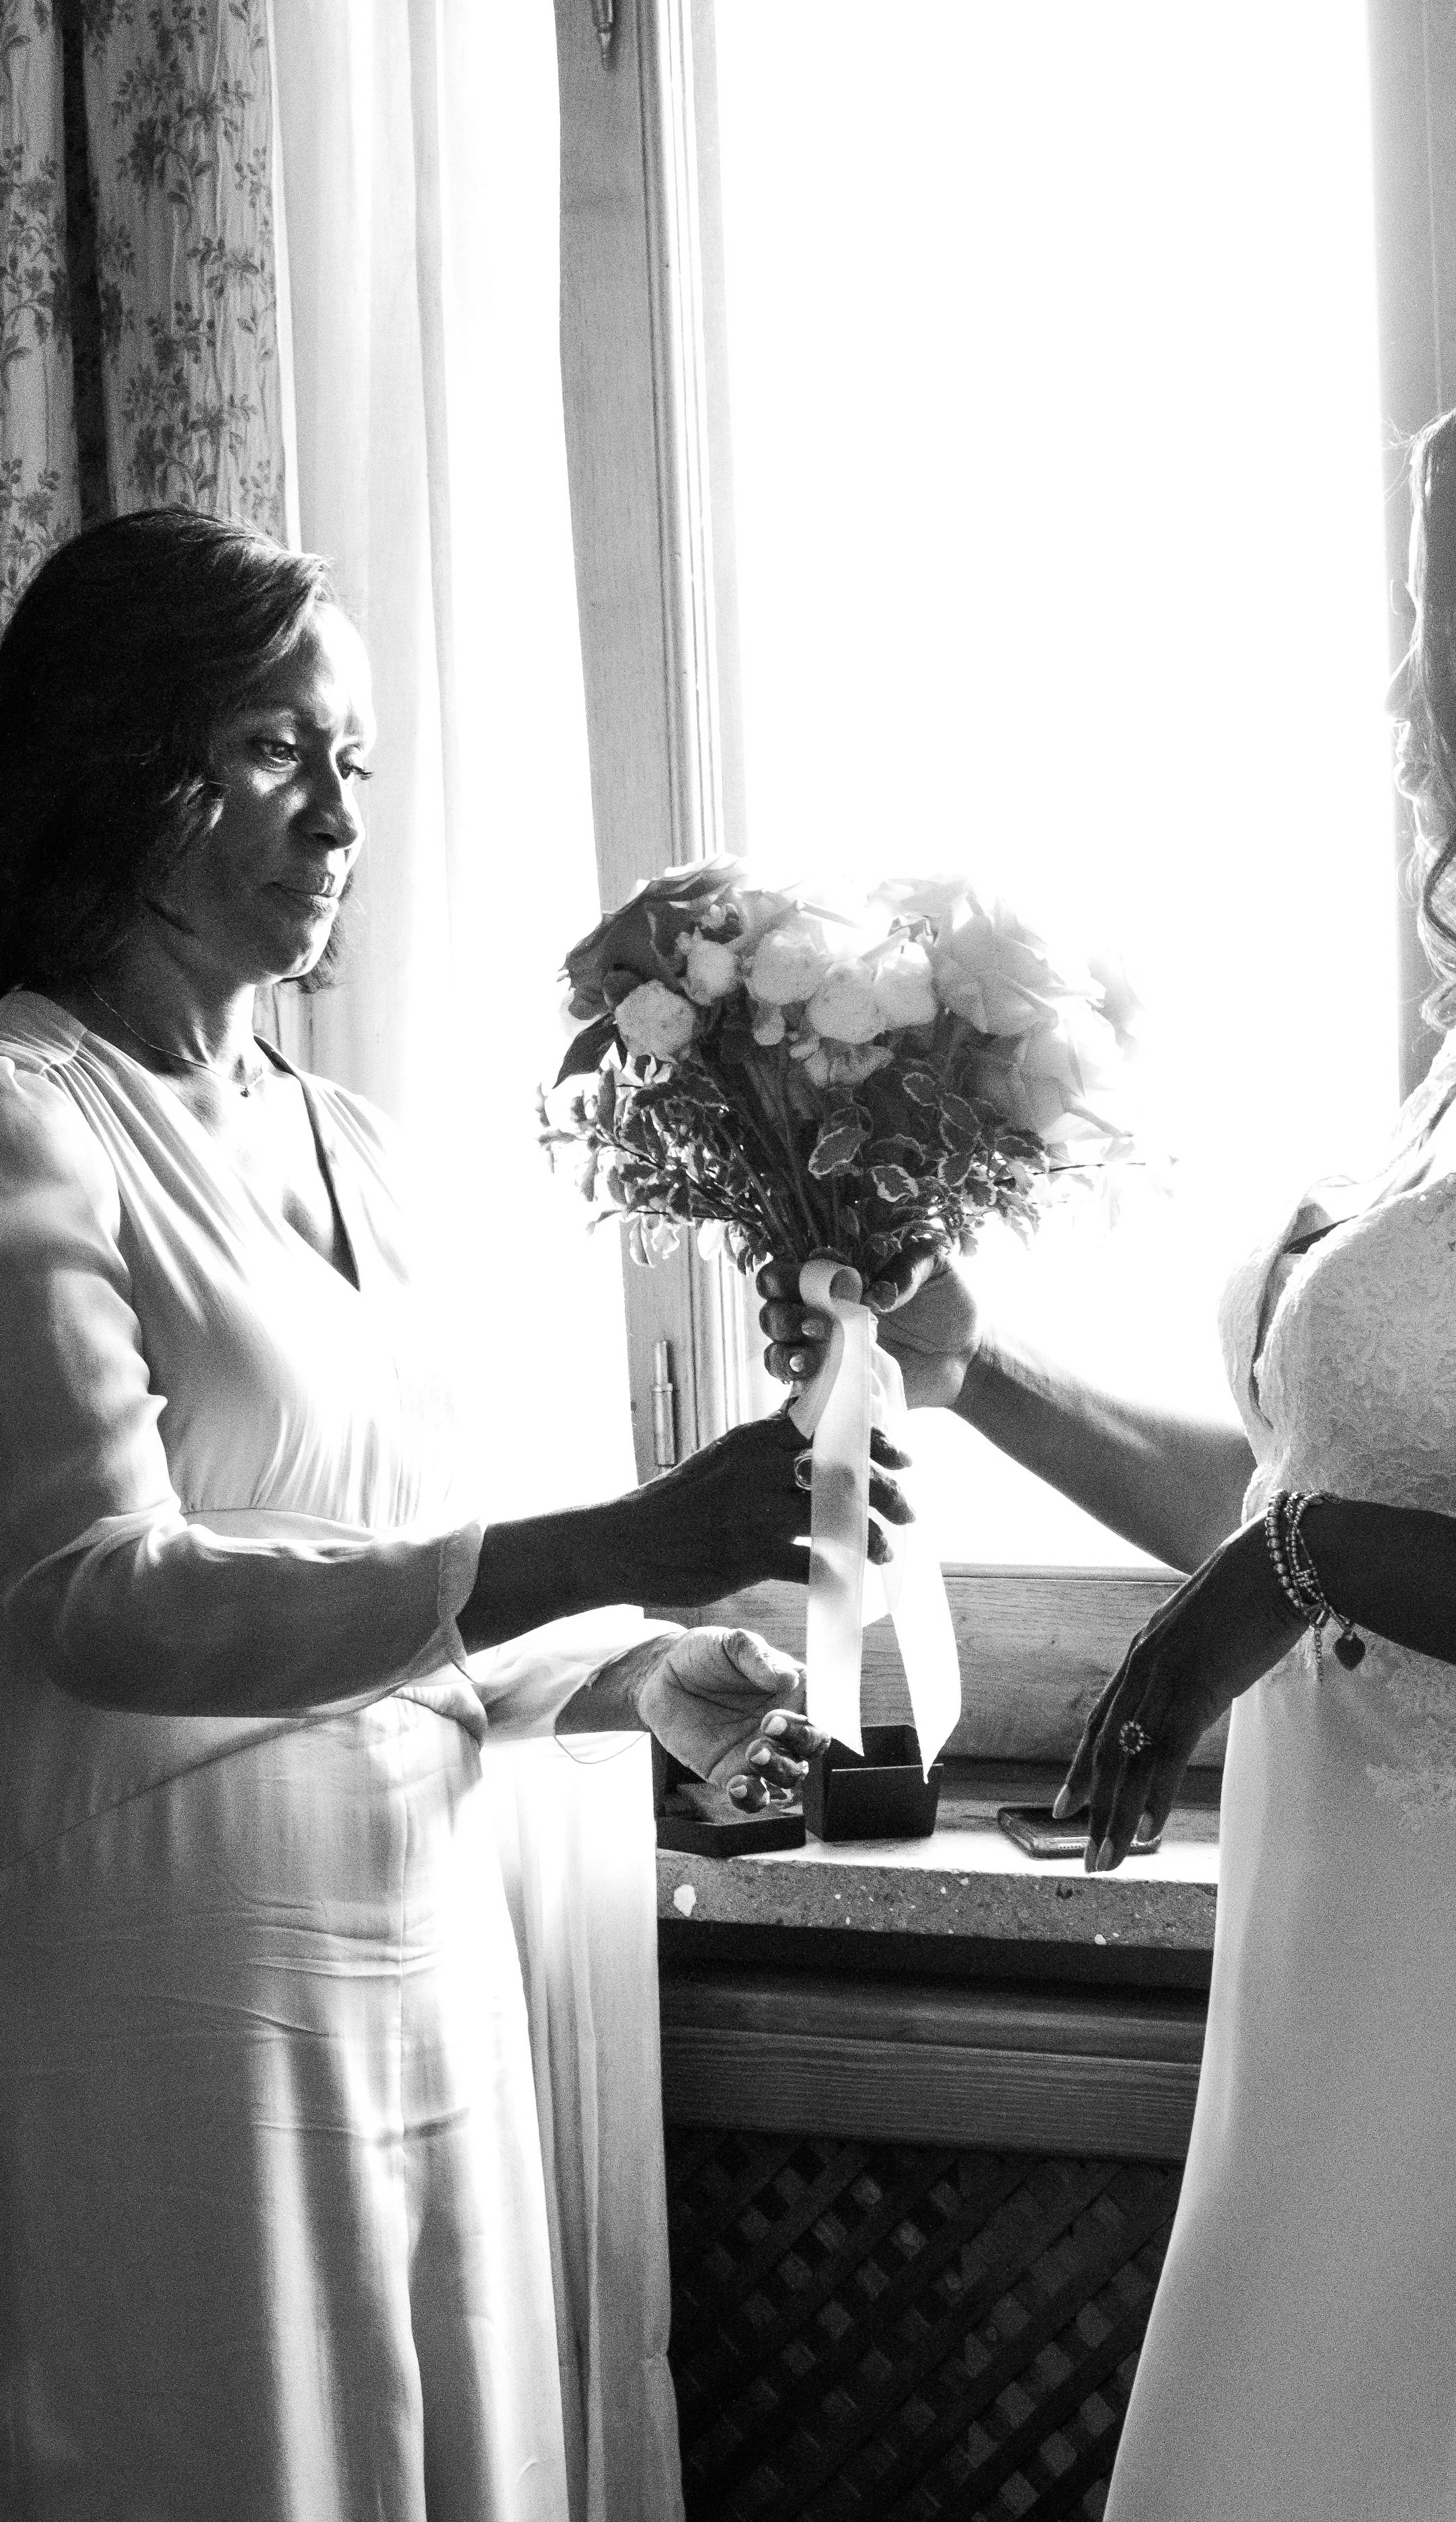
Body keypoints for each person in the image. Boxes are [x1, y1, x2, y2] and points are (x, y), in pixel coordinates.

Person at [763, 339, 1456, 2517]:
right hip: (1336, 2003)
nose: (1401, 683)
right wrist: (980, 1373)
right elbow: (1302, 1512)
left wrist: (1300, 1573)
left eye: (1451, 618)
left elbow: (1328, 1554)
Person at [0, 508, 909, 2519]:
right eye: (270, 745)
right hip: (178, 1987)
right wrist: (613, 1547)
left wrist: (646, 1665)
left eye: (359, 764)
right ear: (108, 751)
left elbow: (426, 1586)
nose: (336, 816)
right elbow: (103, 1601)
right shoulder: (28, 1116)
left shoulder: (357, 1151)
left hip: (422, 1961)